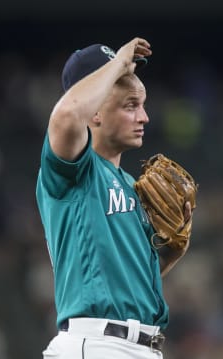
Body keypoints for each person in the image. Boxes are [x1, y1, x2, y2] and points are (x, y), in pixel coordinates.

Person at [35, 37, 192, 359]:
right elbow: (66, 115)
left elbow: (117, 284)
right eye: (130, 105)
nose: (144, 117)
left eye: (142, 105)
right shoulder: (73, 171)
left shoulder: (131, 186)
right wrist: (119, 62)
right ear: (94, 113)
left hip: (137, 345)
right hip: (96, 344)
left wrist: (168, 257)